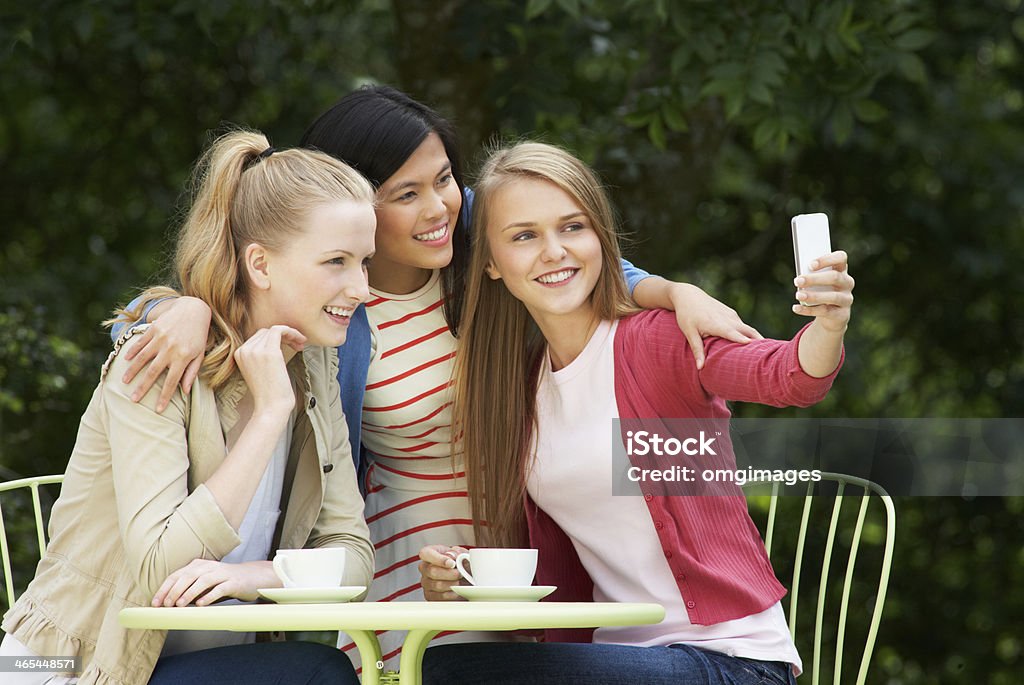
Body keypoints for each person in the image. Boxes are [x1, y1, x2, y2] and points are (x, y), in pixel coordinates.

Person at [109, 85, 762, 671]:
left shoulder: (488, 253)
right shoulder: (330, 313)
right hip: (400, 563)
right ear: (353, 210)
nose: (439, 207)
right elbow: (193, 310)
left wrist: (674, 292)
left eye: (445, 179)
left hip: (525, 558)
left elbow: (585, 260)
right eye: (406, 194)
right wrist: (183, 307)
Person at [417, 141, 855, 684]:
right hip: (618, 658)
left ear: (601, 238)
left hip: (732, 662)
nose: (555, 251)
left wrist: (828, 324)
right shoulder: (520, 388)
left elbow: (788, 374)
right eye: (525, 236)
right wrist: (464, 569)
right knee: (446, 665)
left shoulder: (655, 341)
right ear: (489, 263)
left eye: (573, 227)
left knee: (465, 677)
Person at [0, 130, 376, 684]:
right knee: (317, 672)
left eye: (365, 262)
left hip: (202, 667)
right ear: (260, 264)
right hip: (72, 667)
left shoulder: (312, 368)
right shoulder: (158, 357)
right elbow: (160, 569)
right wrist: (270, 413)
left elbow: (355, 555)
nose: (362, 287)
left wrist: (261, 575)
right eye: (337, 262)